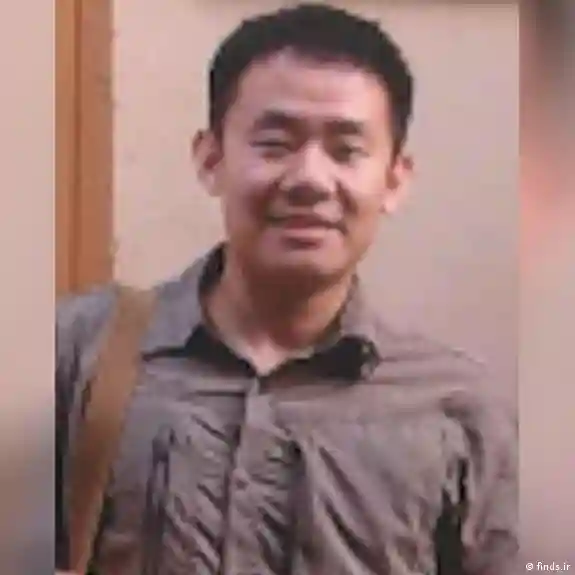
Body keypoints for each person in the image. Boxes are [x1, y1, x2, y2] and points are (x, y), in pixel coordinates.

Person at [56, 4, 518, 574]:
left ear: (395, 180)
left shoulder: (461, 411)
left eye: (346, 151)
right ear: (210, 159)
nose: (309, 180)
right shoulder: (77, 354)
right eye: (274, 144)